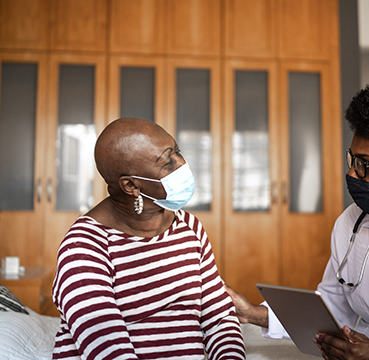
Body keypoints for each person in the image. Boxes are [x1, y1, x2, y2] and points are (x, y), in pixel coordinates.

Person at [226, 80, 369, 359]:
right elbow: (333, 306)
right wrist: (253, 314)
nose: (351, 174)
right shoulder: (353, 223)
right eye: (352, 160)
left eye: (365, 165)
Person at [52, 117, 245, 360]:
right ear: (131, 185)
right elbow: (106, 347)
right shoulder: (84, 245)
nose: (182, 163)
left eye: (177, 151)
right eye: (168, 162)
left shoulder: (190, 227)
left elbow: (219, 319)